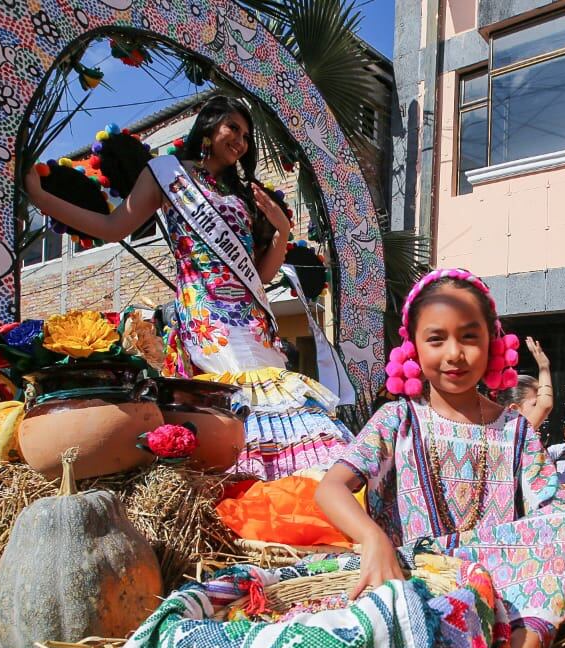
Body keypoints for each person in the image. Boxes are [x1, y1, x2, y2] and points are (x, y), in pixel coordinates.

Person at [316, 268, 565, 648]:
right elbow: (331, 487)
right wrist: (373, 539)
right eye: (436, 339)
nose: (454, 355)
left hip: (501, 583)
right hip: (419, 573)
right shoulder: (396, 419)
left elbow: (553, 509)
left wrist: (538, 539)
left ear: (492, 344)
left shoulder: (515, 429)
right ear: (413, 347)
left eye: (469, 337)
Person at [25, 96, 349, 480]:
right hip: (206, 315)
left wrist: (280, 231)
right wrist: (41, 199)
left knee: (274, 397)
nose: (241, 141)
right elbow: (113, 228)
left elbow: (260, 276)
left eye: (246, 135)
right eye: (233, 128)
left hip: (254, 317)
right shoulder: (168, 174)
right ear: (209, 128)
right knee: (228, 401)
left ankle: (290, 483)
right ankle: (244, 482)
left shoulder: (241, 192)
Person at [497, 337, 553, 429]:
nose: (545, 416)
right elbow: (545, 405)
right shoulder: (513, 432)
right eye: (535, 404)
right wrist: (544, 367)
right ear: (514, 409)